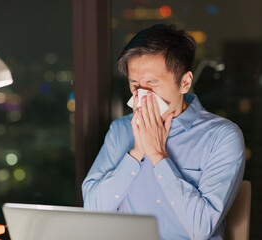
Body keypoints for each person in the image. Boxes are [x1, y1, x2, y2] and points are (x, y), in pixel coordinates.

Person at [82, 24, 245, 240]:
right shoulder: (120, 130)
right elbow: (92, 211)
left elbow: (201, 228)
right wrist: (136, 152)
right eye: (135, 85)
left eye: (152, 84)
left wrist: (158, 156)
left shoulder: (221, 137)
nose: (142, 95)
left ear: (185, 83)